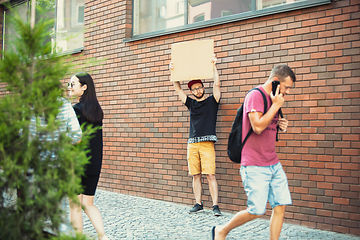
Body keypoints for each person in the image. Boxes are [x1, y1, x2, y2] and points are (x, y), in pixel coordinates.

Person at [211, 64, 296, 240]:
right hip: (254, 164)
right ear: (275, 81)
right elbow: (257, 126)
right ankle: (221, 230)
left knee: (280, 206)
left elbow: (267, 124)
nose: (287, 92)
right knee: (256, 211)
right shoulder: (255, 96)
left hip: (273, 162)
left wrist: (280, 124)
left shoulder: (275, 98)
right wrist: (275, 106)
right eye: (286, 87)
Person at [169, 56, 222, 216]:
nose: (198, 90)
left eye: (200, 87)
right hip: (192, 144)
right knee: (196, 175)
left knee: (210, 175)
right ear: (191, 92)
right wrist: (173, 72)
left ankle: (215, 206)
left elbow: (217, 84)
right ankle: (198, 203)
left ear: (203, 87)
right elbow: (178, 89)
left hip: (207, 144)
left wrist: (213, 66)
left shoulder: (213, 101)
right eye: (194, 89)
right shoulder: (191, 103)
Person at [68, 73, 109, 240]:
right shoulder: (96, 111)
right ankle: (103, 237)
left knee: (75, 205)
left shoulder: (73, 111)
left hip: (76, 163)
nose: (69, 87)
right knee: (88, 204)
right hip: (94, 163)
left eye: (72, 84)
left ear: (84, 87)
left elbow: (72, 139)